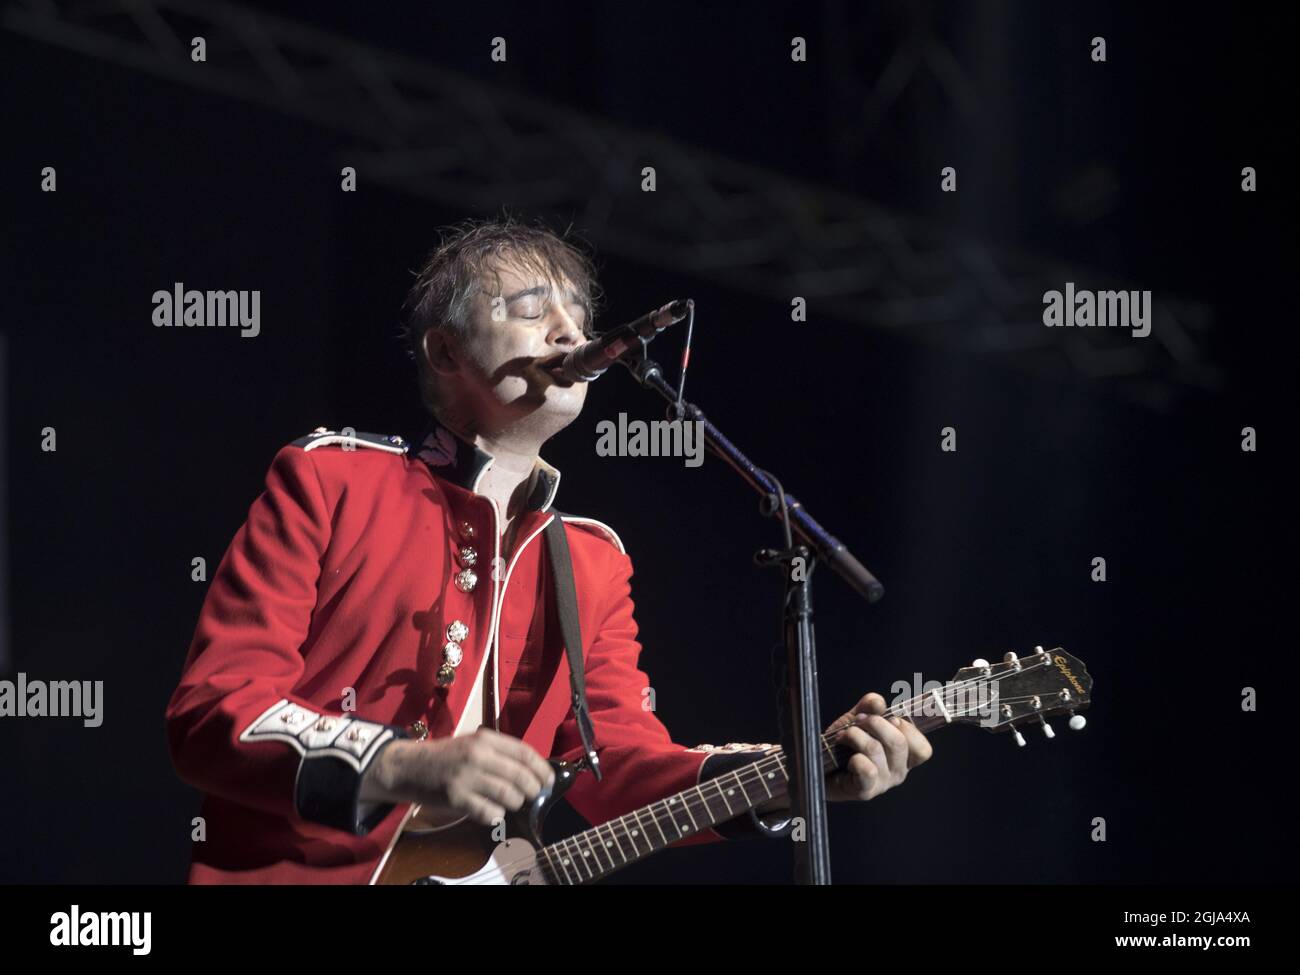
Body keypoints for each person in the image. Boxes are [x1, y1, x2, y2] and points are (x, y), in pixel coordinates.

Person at [164, 217, 933, 884]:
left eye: (578, 314)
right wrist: (400, 764)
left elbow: (620, 772)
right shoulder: (332, 477)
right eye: (533, 311)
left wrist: (793, 776)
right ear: (445, 352)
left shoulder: (592, 558)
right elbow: (214, 712)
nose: (570, 332)